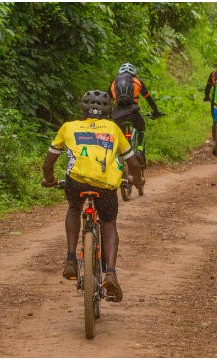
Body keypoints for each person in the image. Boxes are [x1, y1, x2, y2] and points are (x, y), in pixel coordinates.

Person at [40, 90, 141, 302]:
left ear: (83, 109)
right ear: (108, 111)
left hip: (76, 181)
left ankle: (70, 259)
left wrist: (49, 180)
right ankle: (111, 273)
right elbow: (133, 163)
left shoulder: (69, 127)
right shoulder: (113, 129)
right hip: (105, 186)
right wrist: (137, 180)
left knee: (74, 209)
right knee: (109, 223)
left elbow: (48, 163)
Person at [109, 62, 162, 194]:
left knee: (117, 137)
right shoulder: (137, 82)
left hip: (117, 115)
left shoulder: (114, 83)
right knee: (141, 128)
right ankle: (139, 150)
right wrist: (155, 112)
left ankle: (116, 158)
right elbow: (149, 99)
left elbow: (105, 99)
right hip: (133, 114)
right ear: (134, 73)